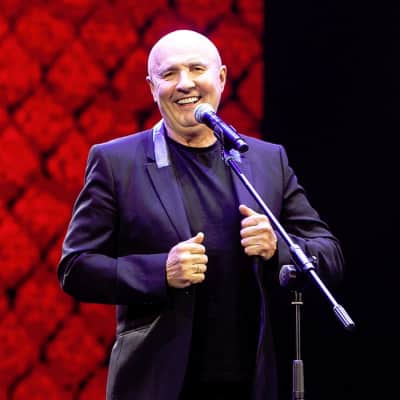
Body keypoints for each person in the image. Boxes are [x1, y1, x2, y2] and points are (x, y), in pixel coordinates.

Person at [57, 29, 344, 400]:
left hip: (250, 382)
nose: (185, 83)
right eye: (169, 74)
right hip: (157, 385)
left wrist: (278, 248)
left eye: (196, 69)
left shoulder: (266, 160)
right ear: (152, 88)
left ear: (221, 78)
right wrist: (160, 271)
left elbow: (329, 254)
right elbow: (75, 268)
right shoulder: (116, 162)